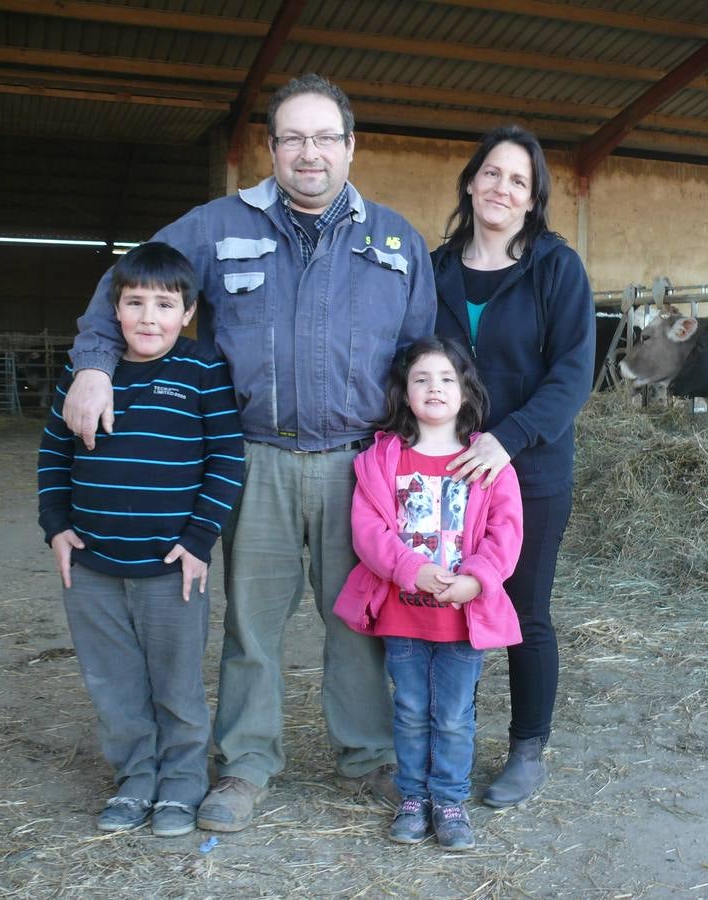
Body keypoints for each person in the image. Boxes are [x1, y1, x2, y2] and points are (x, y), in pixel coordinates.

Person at [61, 74, 436, 832]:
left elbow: (426, 352)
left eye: (325, 137)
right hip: (252, 457)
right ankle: (246, 765)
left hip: (359, 462)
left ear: (350, 147)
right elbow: (126, 283)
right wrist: (95, 363)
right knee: (252, 625)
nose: (310, 152)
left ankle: (366, 756)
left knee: (358, 620)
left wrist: (436, 447)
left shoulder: (395, 241)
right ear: (270, 149)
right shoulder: (214, 226)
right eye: (293, 137)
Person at [37, 242, 244, 837]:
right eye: (134, 303)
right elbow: (53, 451)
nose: (148, 317)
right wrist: (57, 525)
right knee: (113, 679)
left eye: (164, 304)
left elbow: (227, 456)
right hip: (92, 564)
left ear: (188, 312)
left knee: (176, 680)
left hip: (169, 565)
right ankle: (135, 777)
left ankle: (181, 780)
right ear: (115, 309)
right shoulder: (87, 377)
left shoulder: (203, 369)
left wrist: (201, 536)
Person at [430, 125, 595, 807]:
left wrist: (510, 437)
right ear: (471, 182)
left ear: (533, 200)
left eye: (518, 181)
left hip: (529, 472)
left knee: (524, 611)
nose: (502, 188)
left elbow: (573, 372)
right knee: (443, 608)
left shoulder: (556, 268)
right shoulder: (435, 269)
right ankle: (444, 742)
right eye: (492, 174)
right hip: (443, 471)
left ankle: (527, 749)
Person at [333, 337, 523, 850]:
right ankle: (413, 797)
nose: (434, 388)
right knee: (412, 709)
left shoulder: (487, 460)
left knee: (456, 713)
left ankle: (450, 799)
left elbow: (505, 531)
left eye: (446, 379)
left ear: (465, 390)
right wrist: (409, 569)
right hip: (403, 613)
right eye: (421, 379)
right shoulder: (381, 459)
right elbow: (368, 530)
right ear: (404, 391)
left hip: (463, 614)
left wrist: (477, 578)